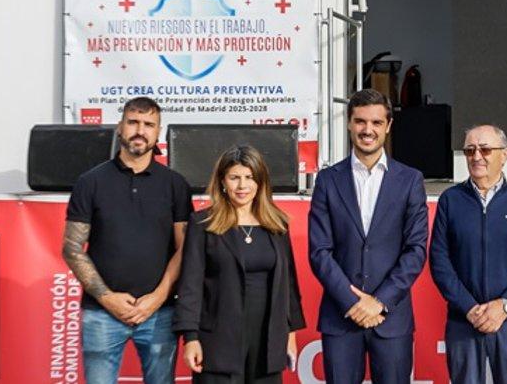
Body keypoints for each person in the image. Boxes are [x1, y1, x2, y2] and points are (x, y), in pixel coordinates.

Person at [64, 97, 191, 384]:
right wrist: (108, 298)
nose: (140, 130)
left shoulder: (175, 185)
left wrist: (157, 298)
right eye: (133, 122)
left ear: (158, 132)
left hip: (160, 313)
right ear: (120, 127)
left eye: (149, 125)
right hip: (101, 314)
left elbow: (185, 249)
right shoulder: (90, 182)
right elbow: (72, 248)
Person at [309, 89, 429, 384]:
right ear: (349, 124)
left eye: (376, 123)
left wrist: (380, 302)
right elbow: (319, 251)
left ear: (388, 126)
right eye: (360, 121)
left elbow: (415, 250)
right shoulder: (327, 180)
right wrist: (352, 302)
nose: (367, 130)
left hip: (391, 319)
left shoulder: (410, 180)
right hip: (341, 317)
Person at [176, 145, 306, 383]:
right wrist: (191, 337)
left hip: (267, 341)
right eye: (234, 177)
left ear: (260, 182)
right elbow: (190, 285)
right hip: (217, 342)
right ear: (223, 182)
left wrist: (290, 333)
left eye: (249, 177)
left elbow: (288, 284)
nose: (242, 186)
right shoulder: (203, 223)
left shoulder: (277, 224)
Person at [431, 125, 507, 384]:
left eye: (485, 149)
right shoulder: (451, 200)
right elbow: (440, 261)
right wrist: (469, 308)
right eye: (469, 150)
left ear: (504, 155)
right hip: (464, 321)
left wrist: (505, 304)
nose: (476, 156)